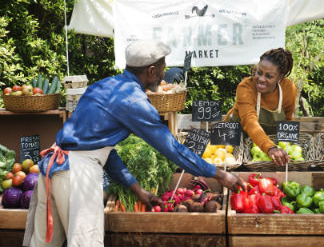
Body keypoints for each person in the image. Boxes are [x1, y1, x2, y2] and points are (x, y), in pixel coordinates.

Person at [23, 40, 246, 247]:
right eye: (162, 67)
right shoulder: (135, 101)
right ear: (151, 71)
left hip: (52, 169)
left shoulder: (102, 87)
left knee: (44, 243)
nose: (163, 73)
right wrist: (220, 175)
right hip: (76, 175)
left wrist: (136, 189)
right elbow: (173, 149)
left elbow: (103, 150)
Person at [225, 48, 297, 166]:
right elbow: (249, 121)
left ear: (280, 77)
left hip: (262, 147)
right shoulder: (246, 87)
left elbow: (288, 120)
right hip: (232, 142)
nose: (261, 79)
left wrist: (289, 149)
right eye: (259, 72)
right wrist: (270, 148)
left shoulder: (289, 89)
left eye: (269, 76)